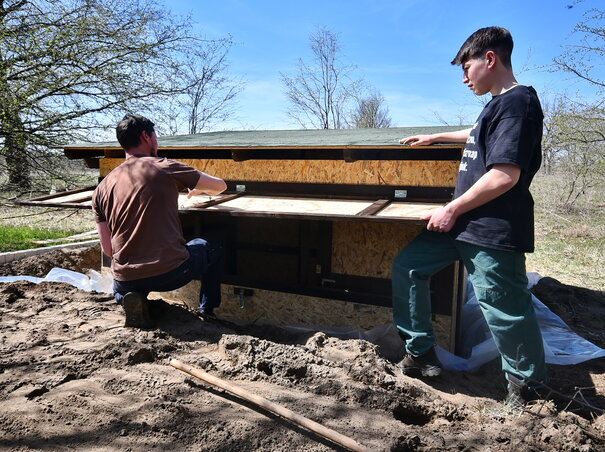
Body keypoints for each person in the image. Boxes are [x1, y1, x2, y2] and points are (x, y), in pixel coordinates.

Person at [393, 26, 547, 404]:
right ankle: (421, 354)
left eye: (466, 68)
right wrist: (435, 137)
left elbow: (505, 175)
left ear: (490, 59)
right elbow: (478, 132)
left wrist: (451, 208)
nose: (464, 78)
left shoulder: (520, 103)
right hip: (463, 226)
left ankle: (527, 390)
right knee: (409, 266)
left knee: (504, 307)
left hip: (492, 228)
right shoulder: (497, 106)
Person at [92, 114, 227, 328]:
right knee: (214, 245)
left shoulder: (102, 188)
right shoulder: (164, 166)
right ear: (146, 136)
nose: (157, 141)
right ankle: (207, 311)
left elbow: (108, 249)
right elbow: (220, 186)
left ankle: (132, 300)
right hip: (170, 274)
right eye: (155, 135)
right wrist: (198, 187)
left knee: (122, 289)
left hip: (126, 279)